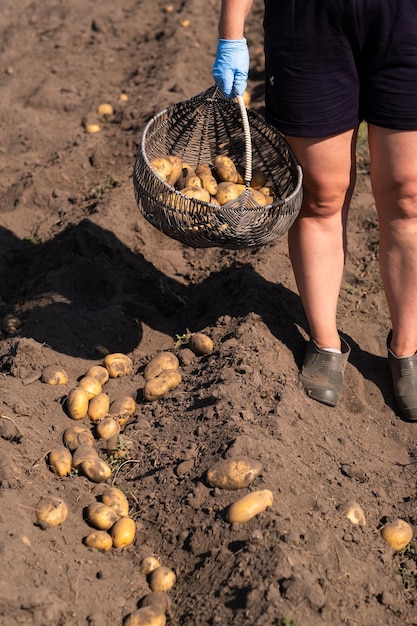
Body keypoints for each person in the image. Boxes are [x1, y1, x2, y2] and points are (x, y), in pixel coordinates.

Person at [213, 0, 417, 421]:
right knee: (321, 193)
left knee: (408, 195)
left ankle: (408, 348)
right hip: (309, 19)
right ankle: (324, 341)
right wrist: (231, 32)